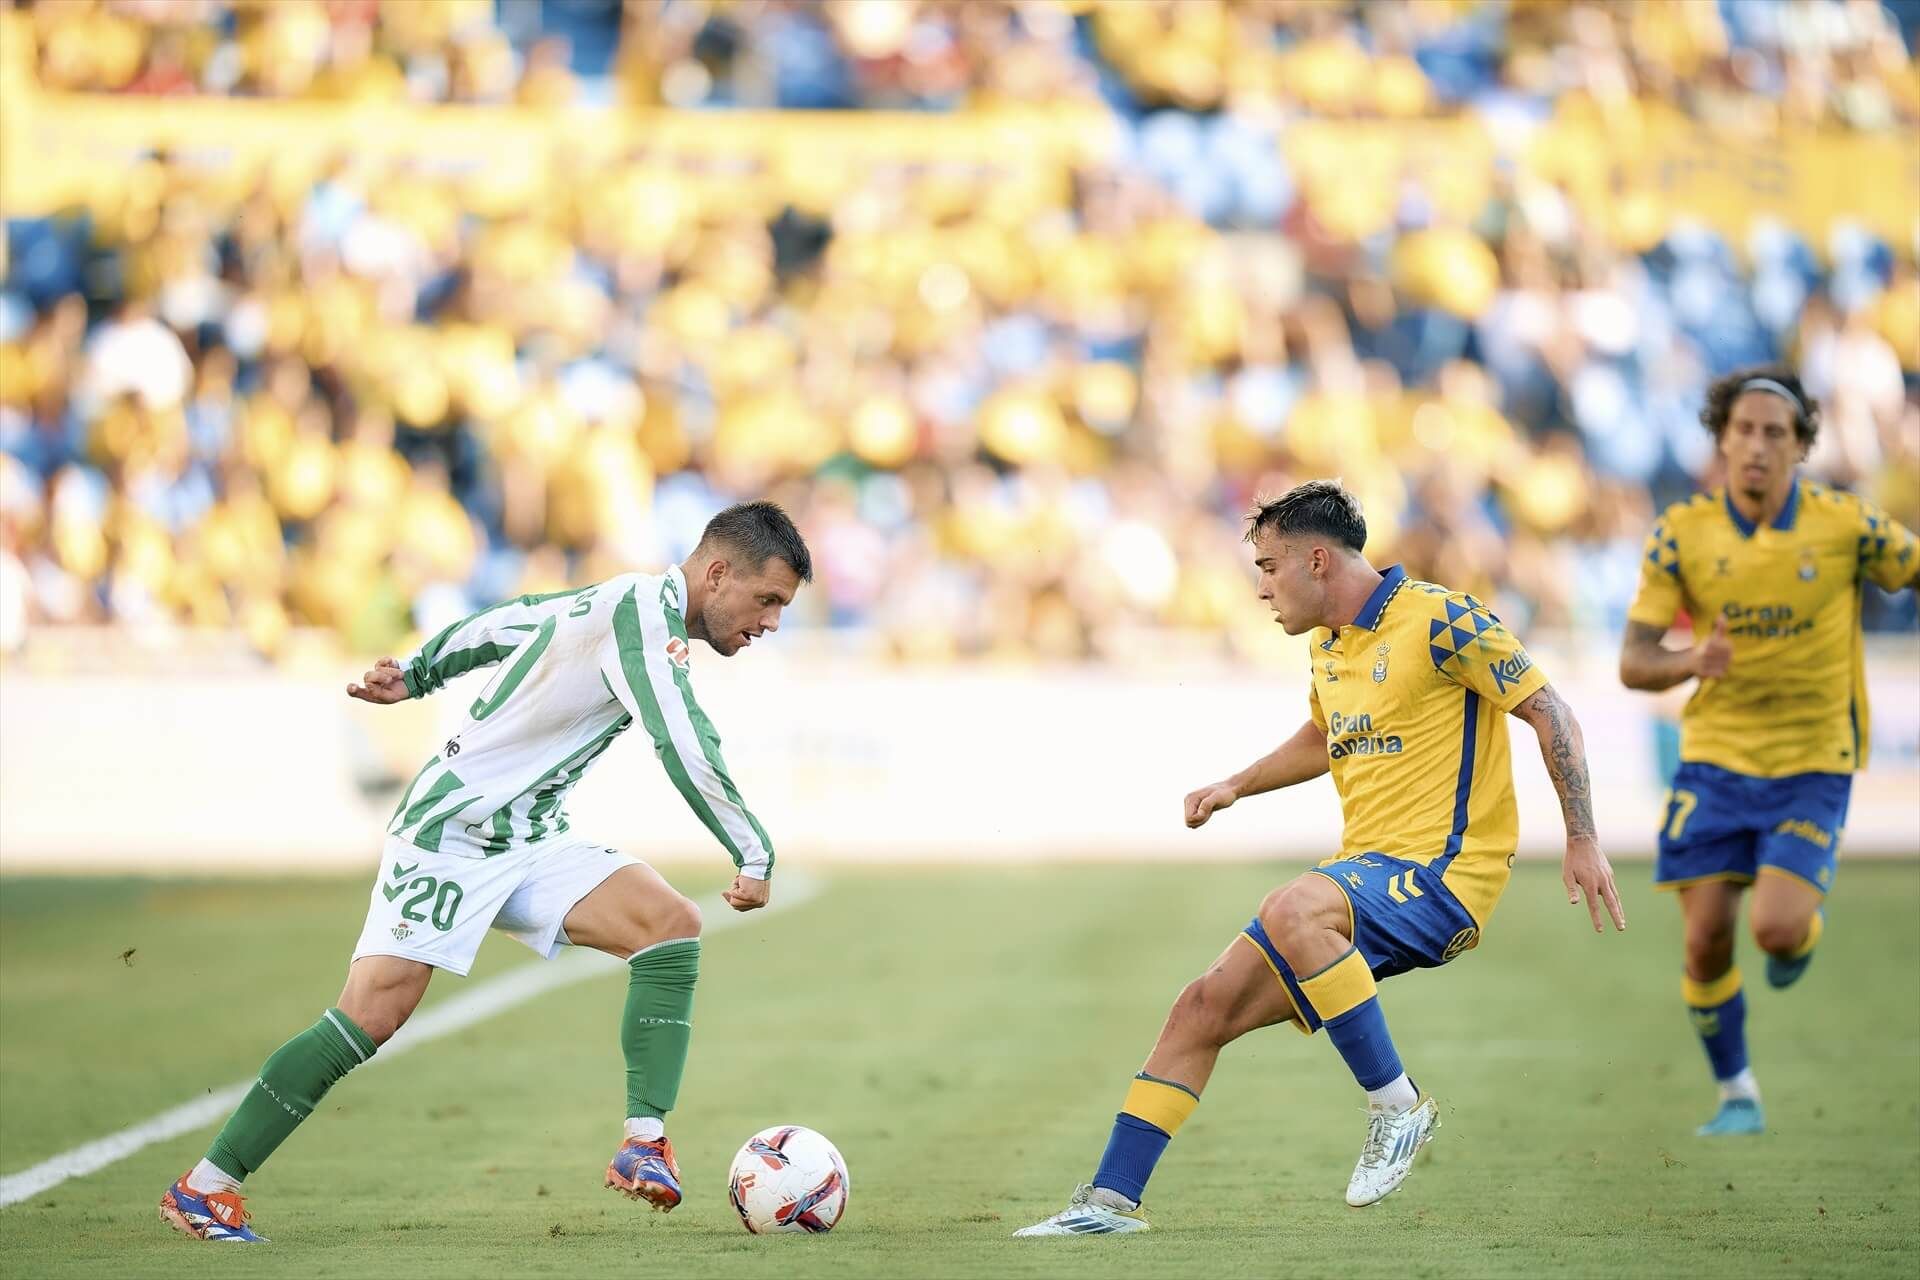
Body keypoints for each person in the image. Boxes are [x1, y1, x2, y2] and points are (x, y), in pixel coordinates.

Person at [159, 501, 812, 1243]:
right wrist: (751, 851)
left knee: (670, 926)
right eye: (768, 601)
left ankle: (642, 1143)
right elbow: (681, 736)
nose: (770, 623)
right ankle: (204, 1189)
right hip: (452, 834)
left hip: (524, 836)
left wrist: (419, 671)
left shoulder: (623, 600)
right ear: (719, 572)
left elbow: (513, 619)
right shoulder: (641, 618)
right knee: (371, 1016)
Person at [1015, 480, 1624, 1236]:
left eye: (1268, 568)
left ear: (1315, 560)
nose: (1261, 589)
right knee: (1201, 1007)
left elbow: (1548, 708)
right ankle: (1109, 1205)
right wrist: (1238, 783)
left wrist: (1583, 835)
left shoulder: (1442, 618)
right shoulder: (1333, 646)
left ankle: (1398, 1107)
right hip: (1368, 876)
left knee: (1292, 904)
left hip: (1442, 878)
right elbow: (1321, 736)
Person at [1619, 369, 1918, 1137]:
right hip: (1716, 757)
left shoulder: (1847, 524)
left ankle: (1801, 933)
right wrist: (1692, 661)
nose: (1756, 446)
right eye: (1743, 431)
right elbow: (1634, 661)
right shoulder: (1682, 530)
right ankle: (1737, 1094)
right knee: (1704, 937)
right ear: (1722, 440)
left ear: (1801, 447)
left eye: (1774, 433)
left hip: (1814, 759)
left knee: (1776, 931)